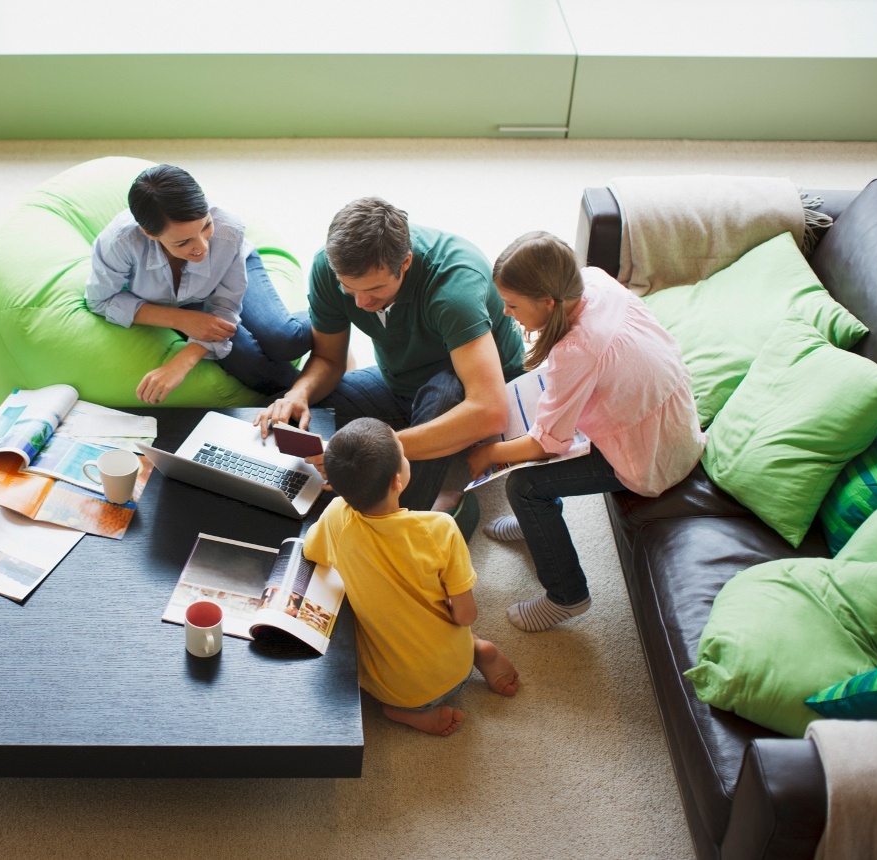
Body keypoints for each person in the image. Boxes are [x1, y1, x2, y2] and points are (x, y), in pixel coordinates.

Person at [467, 232, 707, 632]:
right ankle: (535, 527)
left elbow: (547, 444)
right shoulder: (594, 280)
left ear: (547, 302)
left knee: (524, 487)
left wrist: (489, 455)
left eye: (512, 305)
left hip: (650, 459)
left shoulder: (577, 351)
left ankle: (567, 596)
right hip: (674, 426)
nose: (507, 314)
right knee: (538, 427)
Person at [254, 197, 525, 536]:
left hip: (472, 399)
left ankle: (425, 514)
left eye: (375, 289)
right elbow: (328, 358)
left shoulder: (454, 286)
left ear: (406, 262)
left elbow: (490, 410)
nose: (361, 303)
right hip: (399, 384)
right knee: (298, 414)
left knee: (443, 391)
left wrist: (383, 450)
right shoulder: (327, 267)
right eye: (348, 288)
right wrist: (300, 392)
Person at [302, 417, 520, 736]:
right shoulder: (440, 529)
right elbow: (466, 614)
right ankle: (477, 650)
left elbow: (312, 551)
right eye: (403, 453)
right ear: (397, 481)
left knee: (363, 655)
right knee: (443, 624)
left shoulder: (336, 515)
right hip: (456, 663)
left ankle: (408, 712)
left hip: (404, 690)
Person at [85, 164, 311, 403]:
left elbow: (226, 307)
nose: (203, 248)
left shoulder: (228, 231)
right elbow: (100, 299)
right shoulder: (120, 242)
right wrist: (179, 319)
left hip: (231, 269)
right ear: (150, 234)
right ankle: (312, 393)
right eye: (183, 242)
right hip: (177, 303)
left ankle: (333, 310)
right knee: (246, 360)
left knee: (284, 340)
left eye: (206, 227)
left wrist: (183, 360)